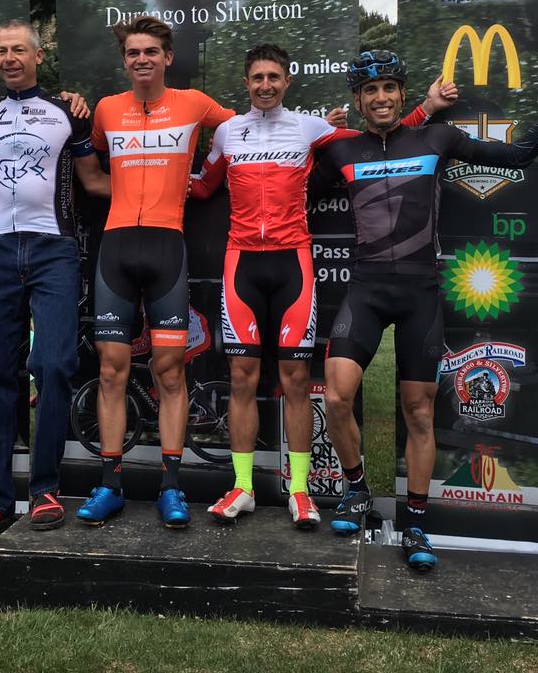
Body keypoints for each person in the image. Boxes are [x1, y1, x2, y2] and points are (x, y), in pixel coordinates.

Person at [318, 48, 538, 572]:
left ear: (403, 94)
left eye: (389, 88)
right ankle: (356, 491)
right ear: (357, 100)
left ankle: (415, 522)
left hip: (420, 293)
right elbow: (295, 193)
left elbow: (519, 157)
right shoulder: (340, 150)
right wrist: (318, 135)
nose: (380, 98)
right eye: (369, 90)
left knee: (419, 412)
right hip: (366, 289)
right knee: (336, 397)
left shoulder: (436, 138)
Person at [190, 44, 456, 528]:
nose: (265, 86)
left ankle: (300, 490)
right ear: (246, 83)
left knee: (295, 380)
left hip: (293, 262)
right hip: (240, 263)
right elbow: (204, 184)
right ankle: (242, 487)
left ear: (287, 81)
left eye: (274, 77)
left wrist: (427, 109)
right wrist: (153, 174)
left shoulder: (311, 128)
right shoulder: (228, 131)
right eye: (257, 78)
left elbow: (381, 138)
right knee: (242, 379)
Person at [75, 15, 238, 529]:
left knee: (170, 371)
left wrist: (203, 179)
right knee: (110, 371)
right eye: (133, 53)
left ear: (167, 57)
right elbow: (90, 166)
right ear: (124, 61)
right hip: (116, 247)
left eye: (150, 51)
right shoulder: (107, 108)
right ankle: (110, 484)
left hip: (168, 246)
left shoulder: (195, 104)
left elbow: (250, 128)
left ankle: (171, 486)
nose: (141, 59)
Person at [0, 20, 107, 544]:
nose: (9, 58)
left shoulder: (68, 111)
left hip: (53, 250)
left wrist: (158, 187)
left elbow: (93, 179)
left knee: (54, 365)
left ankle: (45, 488)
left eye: (19, 49)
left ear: (37, 56)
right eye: (1, 51)